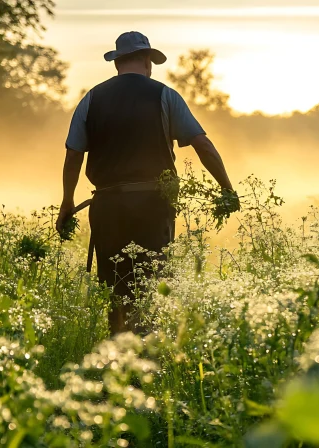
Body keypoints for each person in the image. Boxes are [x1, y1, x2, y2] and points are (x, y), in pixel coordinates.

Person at [56, 31, 237, 335]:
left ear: (117, 63)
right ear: (145, 60)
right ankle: (146, 352)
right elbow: (203, 145)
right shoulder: (165, 95)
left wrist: (67, 202)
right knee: (151, 281)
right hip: (154, 205)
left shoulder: (91, 98)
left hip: (108, 205)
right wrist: (227, 189)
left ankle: (118, 353)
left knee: (116, 283)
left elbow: (74, 155)